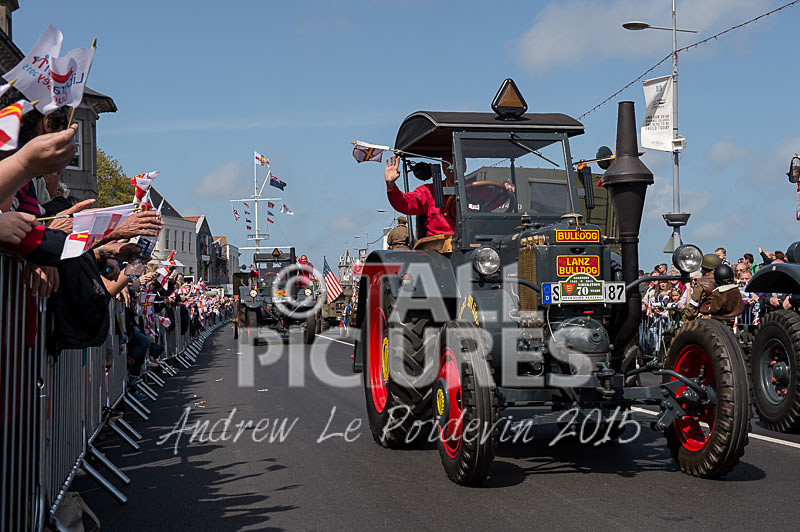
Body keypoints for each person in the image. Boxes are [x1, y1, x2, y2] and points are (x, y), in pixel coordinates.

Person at [384, 154, 455, 237]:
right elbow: (405, 203)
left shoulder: (469, 189)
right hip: (439, 242)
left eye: (456, 163)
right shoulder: (429, 191)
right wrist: (391, 185)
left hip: (468, 241)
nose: (452, 169)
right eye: (448, 164)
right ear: (443, 168)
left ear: (464, 166)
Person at [684, 253, 722, 320]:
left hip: (706, 320)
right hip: (723, 319)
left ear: (707, 269)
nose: (701, 271)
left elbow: (693, 306)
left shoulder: (701, 283)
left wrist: (685, 318)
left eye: (703, 268)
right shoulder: (728, 281)